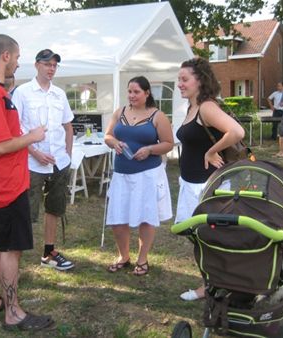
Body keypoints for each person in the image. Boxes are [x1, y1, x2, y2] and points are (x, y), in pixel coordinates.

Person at [0, 34, 53, 331]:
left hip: (0, 183)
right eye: (17, 58)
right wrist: (32, 136)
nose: (18, 63)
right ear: (5, 56)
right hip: (4, 186)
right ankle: (13, 311)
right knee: (11, 249)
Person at [175, 58, 245, 300]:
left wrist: (211, 151)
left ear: (200, 80)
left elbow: (236, 131)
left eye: (184, 79)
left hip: (207, 186)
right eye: (178, 79)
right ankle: (214, 283)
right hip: (191, 184)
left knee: (212, 239)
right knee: (201, 238)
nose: (179, 84)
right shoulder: (192, 107)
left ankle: (214, 286)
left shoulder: (206, 107)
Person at [104, 75, 174, 276]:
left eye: (136, 92)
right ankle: (123, 256)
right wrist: (114, 143)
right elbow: (108, 135)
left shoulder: (157, 116)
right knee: (118, 218)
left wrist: (150, 149)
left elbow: (168, 143)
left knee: (145, 217)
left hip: (147, 175)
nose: (131, 95)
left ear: (146, 93)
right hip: (121, 173)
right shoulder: (120, 112)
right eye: (129, 91)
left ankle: (142, 259)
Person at [12, 49, 74, 271]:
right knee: (26, 210)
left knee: (54, 208)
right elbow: (15, 129)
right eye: (48, 64)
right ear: (37, 65)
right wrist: (35, 152)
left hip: (58, 162)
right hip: (32, 163)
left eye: (55, 65)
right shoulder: (22, 92)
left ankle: (48, 252)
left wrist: (67, 154)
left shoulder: (59, 93)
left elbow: (68, 125)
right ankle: (14, 257)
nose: (51, 69)